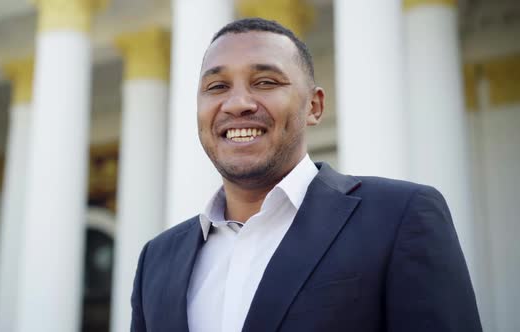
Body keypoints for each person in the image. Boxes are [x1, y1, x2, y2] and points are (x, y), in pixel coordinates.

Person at [130, 18, 482, 332]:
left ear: (313, 106)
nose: (237, 103)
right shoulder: (156, 260)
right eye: (217, 87)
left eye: (265, 82)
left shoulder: (401, 217)